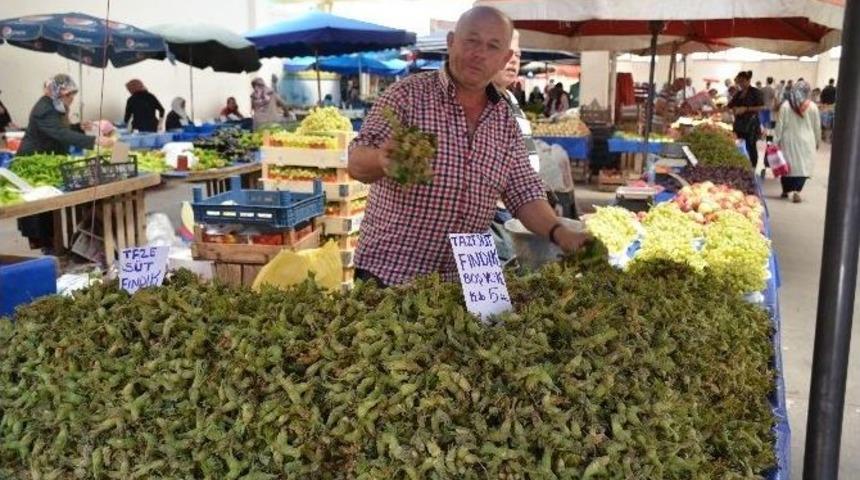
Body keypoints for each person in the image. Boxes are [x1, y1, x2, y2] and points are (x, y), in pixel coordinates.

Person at [347, 6, 589, 287]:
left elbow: (524, 192)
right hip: (392, 275)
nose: (479, 53)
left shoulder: (505, 122)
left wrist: (559, 232)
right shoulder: (406, 96)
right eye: (471, 41)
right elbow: (355, 161)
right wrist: (381, 160)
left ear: (505, 58)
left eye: (492, 46)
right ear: (451, 42)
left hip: (465, 284)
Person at [17, 74, 113, 251]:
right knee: (39, 207)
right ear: (57, 93)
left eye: (72, 95)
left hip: (49, 157)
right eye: (69, 95)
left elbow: (62, 129)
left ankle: (54, 244)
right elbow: (59, 134)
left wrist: (79, 127)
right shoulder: (43, 109)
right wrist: (94, 142)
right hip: (34, 160)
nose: (72, 99)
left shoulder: (56, 106)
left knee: (48, 204)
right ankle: (46, 245)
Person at [774, 80, 821, 203]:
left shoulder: (785, 105)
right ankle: (797, 191)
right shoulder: (812, 106)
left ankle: (786, 190)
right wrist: (818, 141)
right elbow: (817, 127)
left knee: (787, 167)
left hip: (788, 140)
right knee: (803, 167)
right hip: (807, 141)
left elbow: (780, 125)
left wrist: (775, 141)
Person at [727, 70, 766, 170]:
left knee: (751, 146)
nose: (741, 84)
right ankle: (741, 166)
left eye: (743, 81)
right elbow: (729, 106)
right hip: (739, 124)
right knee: (738, 144)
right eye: (739, 81)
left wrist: (746, 109)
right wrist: (712, 111)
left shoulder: (755, 92)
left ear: (748, 81)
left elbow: (762, 107)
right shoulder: (738, 93)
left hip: (751, 124)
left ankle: (754, 167)